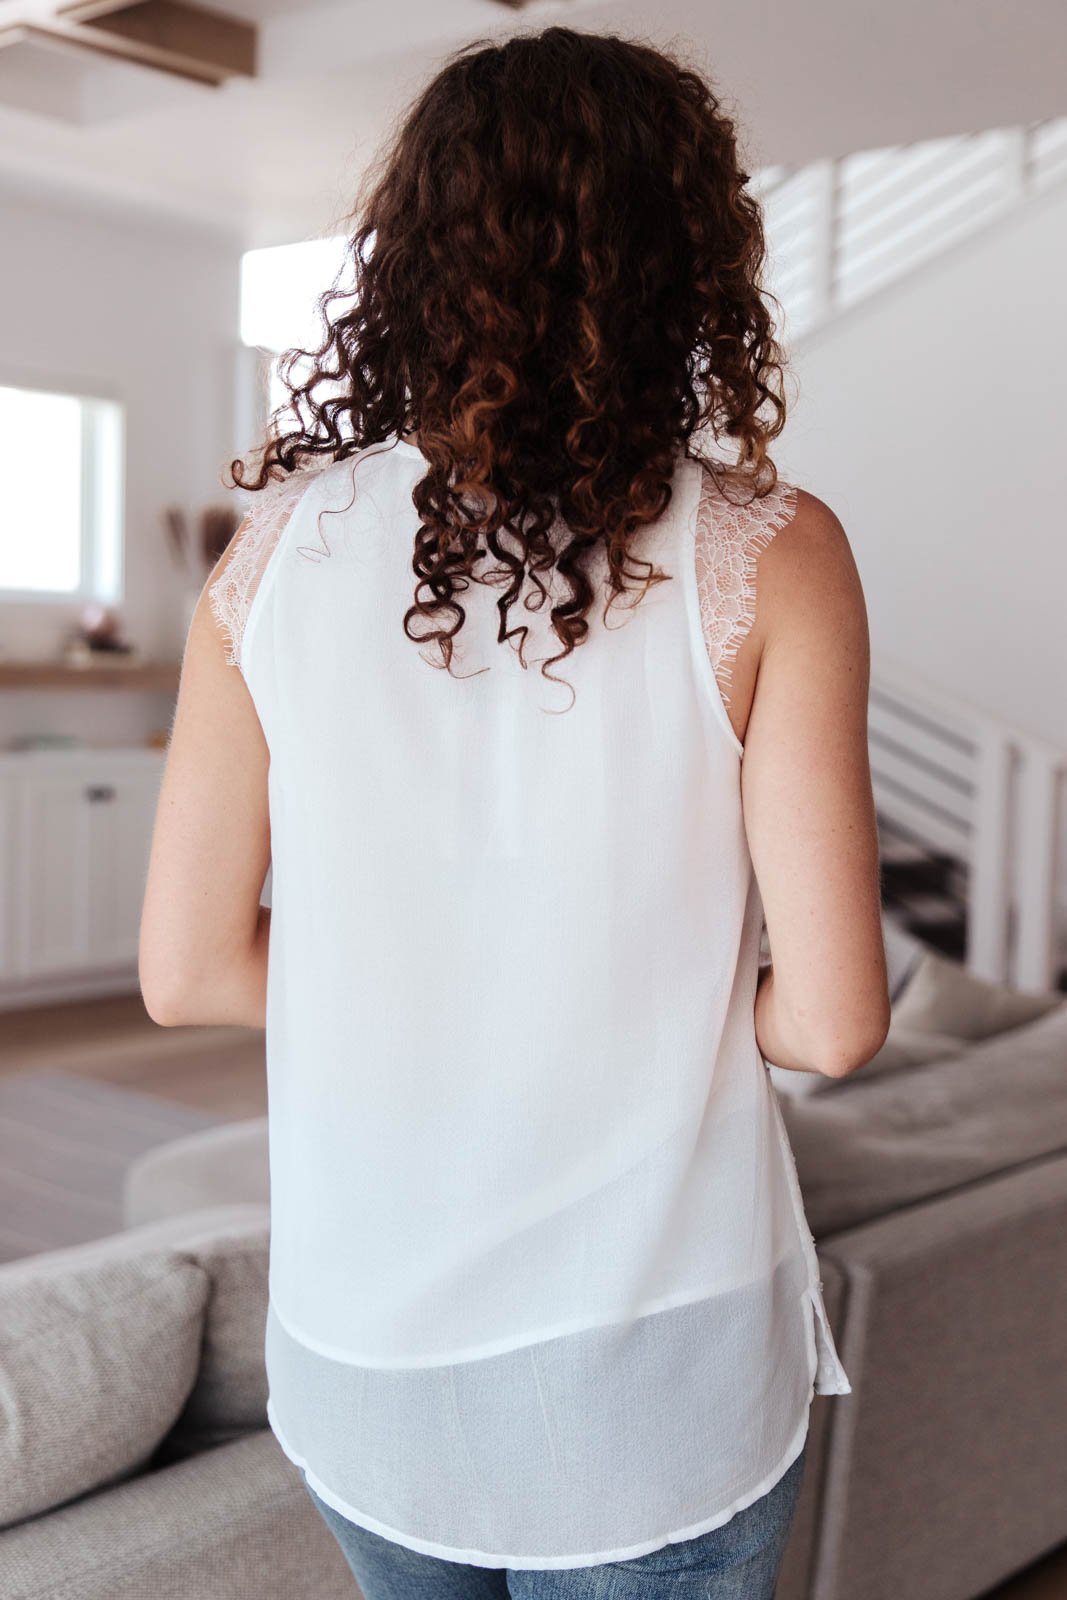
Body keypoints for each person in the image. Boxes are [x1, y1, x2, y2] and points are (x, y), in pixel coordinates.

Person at [139, 24, 890, 1600]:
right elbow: (832, 1024)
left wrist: (446, 987)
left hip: (371, 1363)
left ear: (413, 256)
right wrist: (629, 996)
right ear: (690, 255)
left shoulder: (266, 558)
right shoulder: (770, 548)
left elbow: (189, 972)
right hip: (658, 1374)